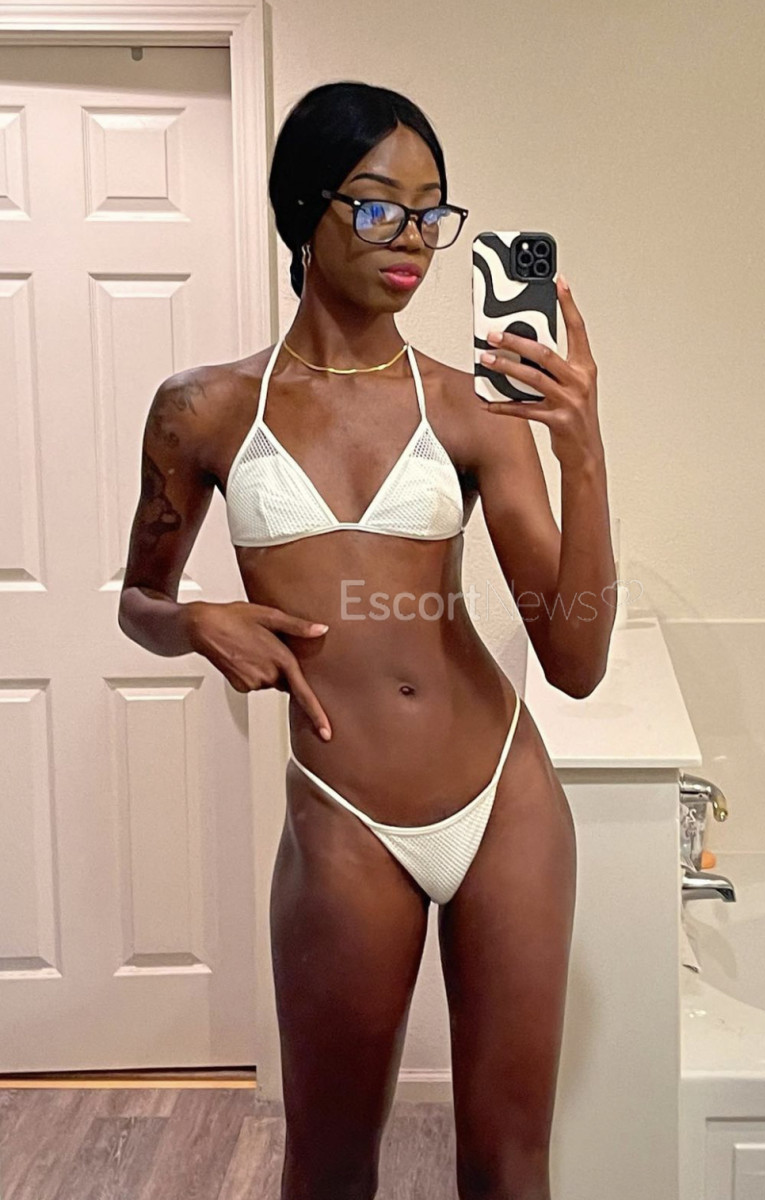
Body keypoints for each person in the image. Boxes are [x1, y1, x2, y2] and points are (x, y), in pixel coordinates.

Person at [118, 80, 616, 1200]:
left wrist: (583, 453)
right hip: (343, 816)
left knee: (510, 1166)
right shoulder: (203, 409)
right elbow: (137, 601)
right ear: (307, 207)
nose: (414, 240)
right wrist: (196, 620)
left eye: (432, 212)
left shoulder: (473, 406)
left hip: (503, 800)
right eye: (381, 205)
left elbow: (576, 660)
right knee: (330, 1166)